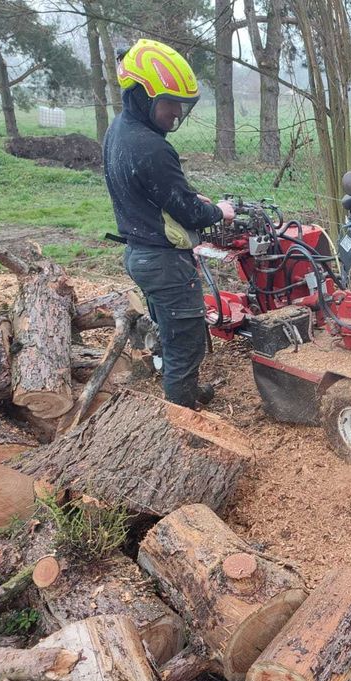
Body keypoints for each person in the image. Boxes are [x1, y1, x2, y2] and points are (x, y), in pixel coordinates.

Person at [103, 39, 233, 408]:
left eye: (181, 103)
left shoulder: (120, 131)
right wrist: (217, 211)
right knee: (187, 338)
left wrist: (188, 197)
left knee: (167, 325)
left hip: (139, 251)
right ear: (144, 95)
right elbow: (191, 214)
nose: (177, 112)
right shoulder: (152, 147)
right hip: (164, 262)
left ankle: (181, 387)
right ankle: (182, 414)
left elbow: (156, 191)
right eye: (170, 103)